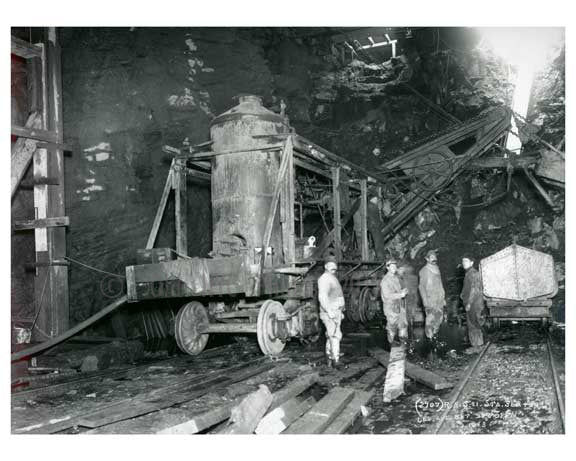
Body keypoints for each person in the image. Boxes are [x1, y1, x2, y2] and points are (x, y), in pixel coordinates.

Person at [318, 255, 345, 368]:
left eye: (334, 265)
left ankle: (329, 357)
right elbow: (322, 297)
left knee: (331, 334)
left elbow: (337, 295)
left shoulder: (332, 277)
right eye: (330, 265)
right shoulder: (325, 279)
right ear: (325, 266)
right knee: (335, 335)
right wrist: (329, 311)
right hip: (330, 311)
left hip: (335, 311)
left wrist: (341, 311)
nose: (333, 267)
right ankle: (336, 361)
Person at [418, 250, 446, 342]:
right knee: (430, 321)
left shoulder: (437, 269)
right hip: (430, 300)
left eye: (435, 257)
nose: (434, 259)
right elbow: (421, 287)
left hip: (439, 300)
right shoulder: (424, 271)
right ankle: (430, 341)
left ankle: (434, 338)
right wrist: (425, 301)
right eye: (432, 257)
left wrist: (443, 298)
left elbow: (440, 284)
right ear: (427, 259)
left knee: (439, 320)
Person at [380, 259, 409, 345]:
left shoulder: (395, 278)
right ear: (387, 267)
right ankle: (392, 347)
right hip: (391, 308)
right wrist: (400, 295)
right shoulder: (385, 281)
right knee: (392, 328)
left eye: (395, 266)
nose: (394, 268)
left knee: (403, 326)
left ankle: (403, 346)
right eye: (392, 266)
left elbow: (397, 291)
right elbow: (387, 296)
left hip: (399, 307)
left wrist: (402, 291)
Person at [461, 254, 485, 349]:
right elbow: (468, 288)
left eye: (466, 261)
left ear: (472, 262)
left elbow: (474, 290)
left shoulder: (473, 273)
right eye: (463, 261)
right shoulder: (468, 273)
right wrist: (462, 294)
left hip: (474, 304)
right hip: (471, 303)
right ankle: (476, 345)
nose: (463, 263)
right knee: (472, 324)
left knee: (475, 324)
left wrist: (469, 303)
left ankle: (478, 345)